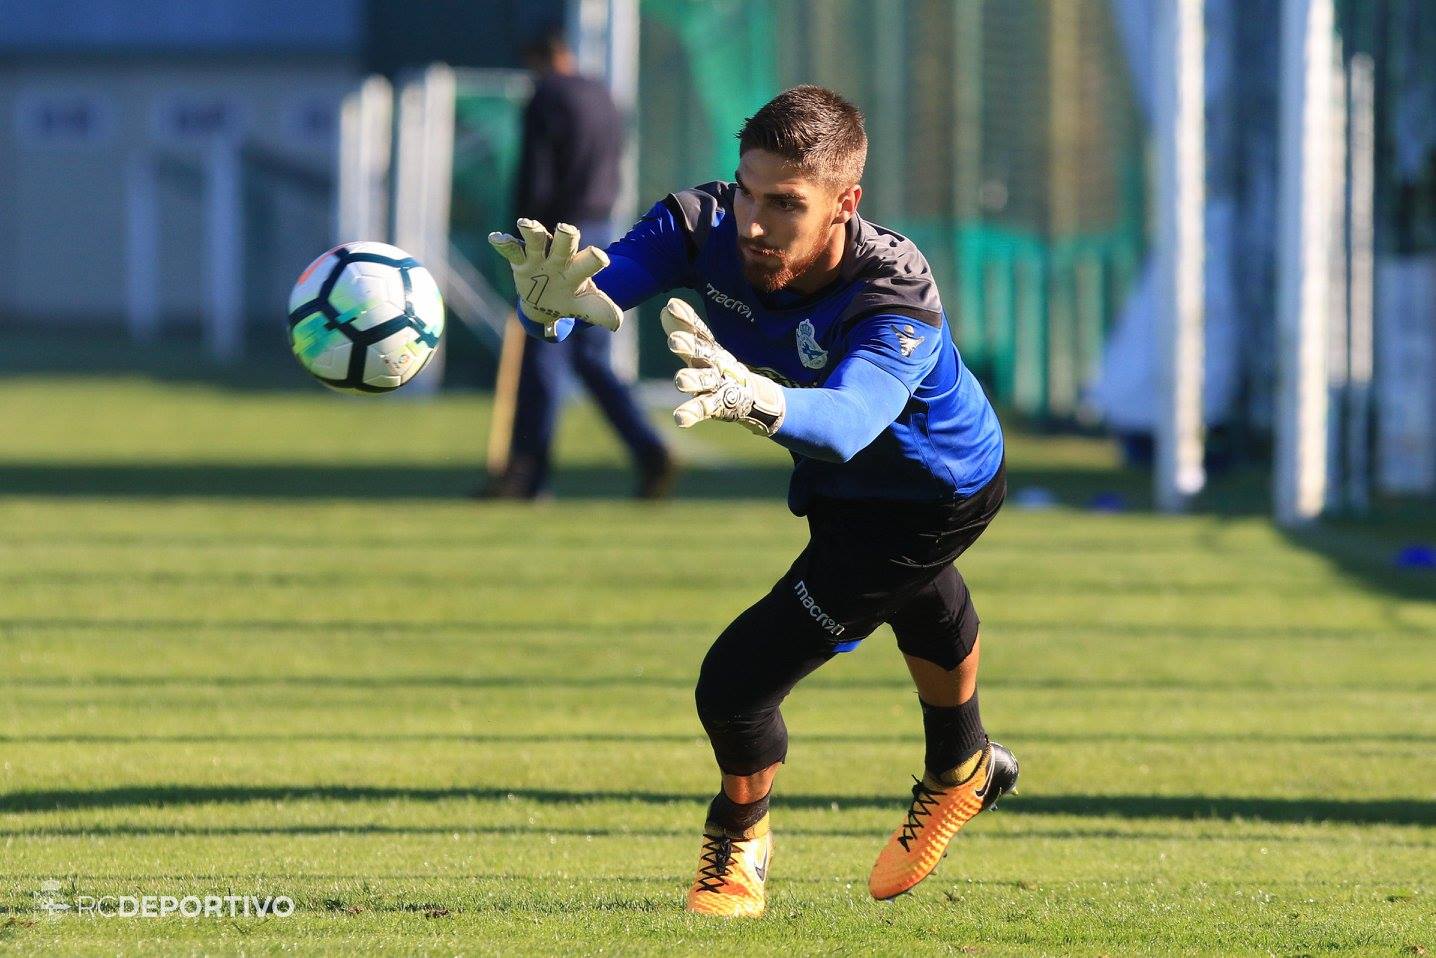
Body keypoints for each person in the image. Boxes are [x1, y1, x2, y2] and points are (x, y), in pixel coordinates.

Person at [488, 85, 1018, 917]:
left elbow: (844, 422)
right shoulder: (700, 223)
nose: (754, 221)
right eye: (746, 190)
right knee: (919, 601)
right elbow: (604, 288)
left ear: (847, 204)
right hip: (844, 482)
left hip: (929, 490)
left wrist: (754, 399)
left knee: (734, 685)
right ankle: (964, 767)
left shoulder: (895, 289)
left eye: (785, 203)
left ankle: (740, 842)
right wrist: (554, 310)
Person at [483, 31, 675, 500]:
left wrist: (526, 240)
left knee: (542, 350)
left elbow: (537, 173)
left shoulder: (546, 96)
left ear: (539, 57)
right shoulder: (601, 95)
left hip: (555, 238)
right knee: (588, 358)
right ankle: (650, 451)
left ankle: (528, 476)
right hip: (600, 231)